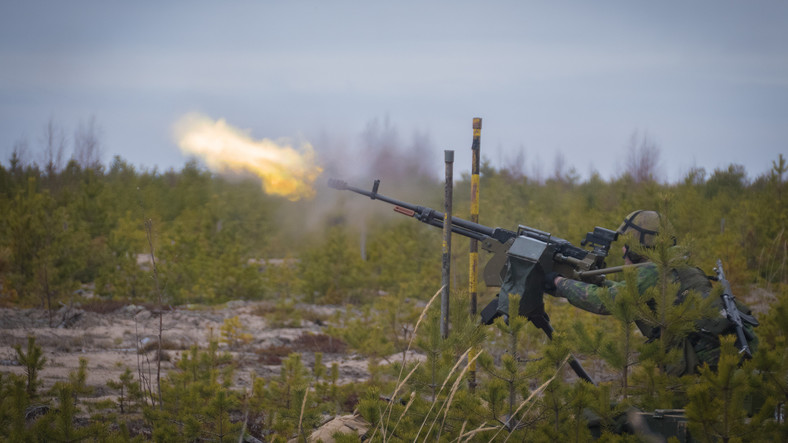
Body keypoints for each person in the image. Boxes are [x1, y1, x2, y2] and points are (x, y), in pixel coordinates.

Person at [544, 210, 758, 376]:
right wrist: (598, 282)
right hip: (729, 363)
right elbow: (627, 291)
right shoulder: (678, 267)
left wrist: (557, 282)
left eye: (628, 244)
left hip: (707, 373)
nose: (623, 250)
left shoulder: (654, 271)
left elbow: (606, 303)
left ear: (640, 247)